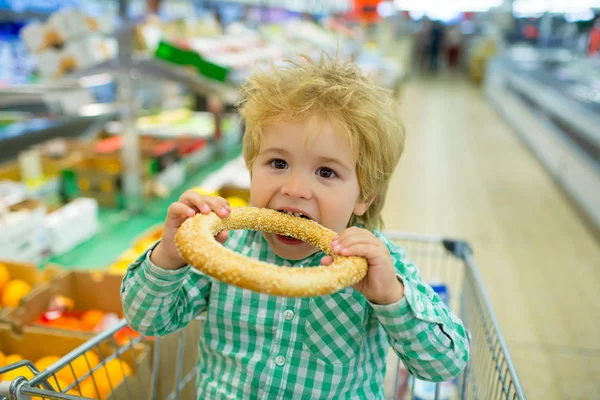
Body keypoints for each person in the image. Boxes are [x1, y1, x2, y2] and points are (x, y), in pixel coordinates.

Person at [121, 54, 470, 399]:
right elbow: (147, 320)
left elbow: (444, 365)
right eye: (278, 162)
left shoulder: (377, 265)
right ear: (250, 168)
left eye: (326, 172)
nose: (295, 189)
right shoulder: (223, 246)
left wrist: (391, 297)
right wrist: (169, 255)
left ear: (364, 195)